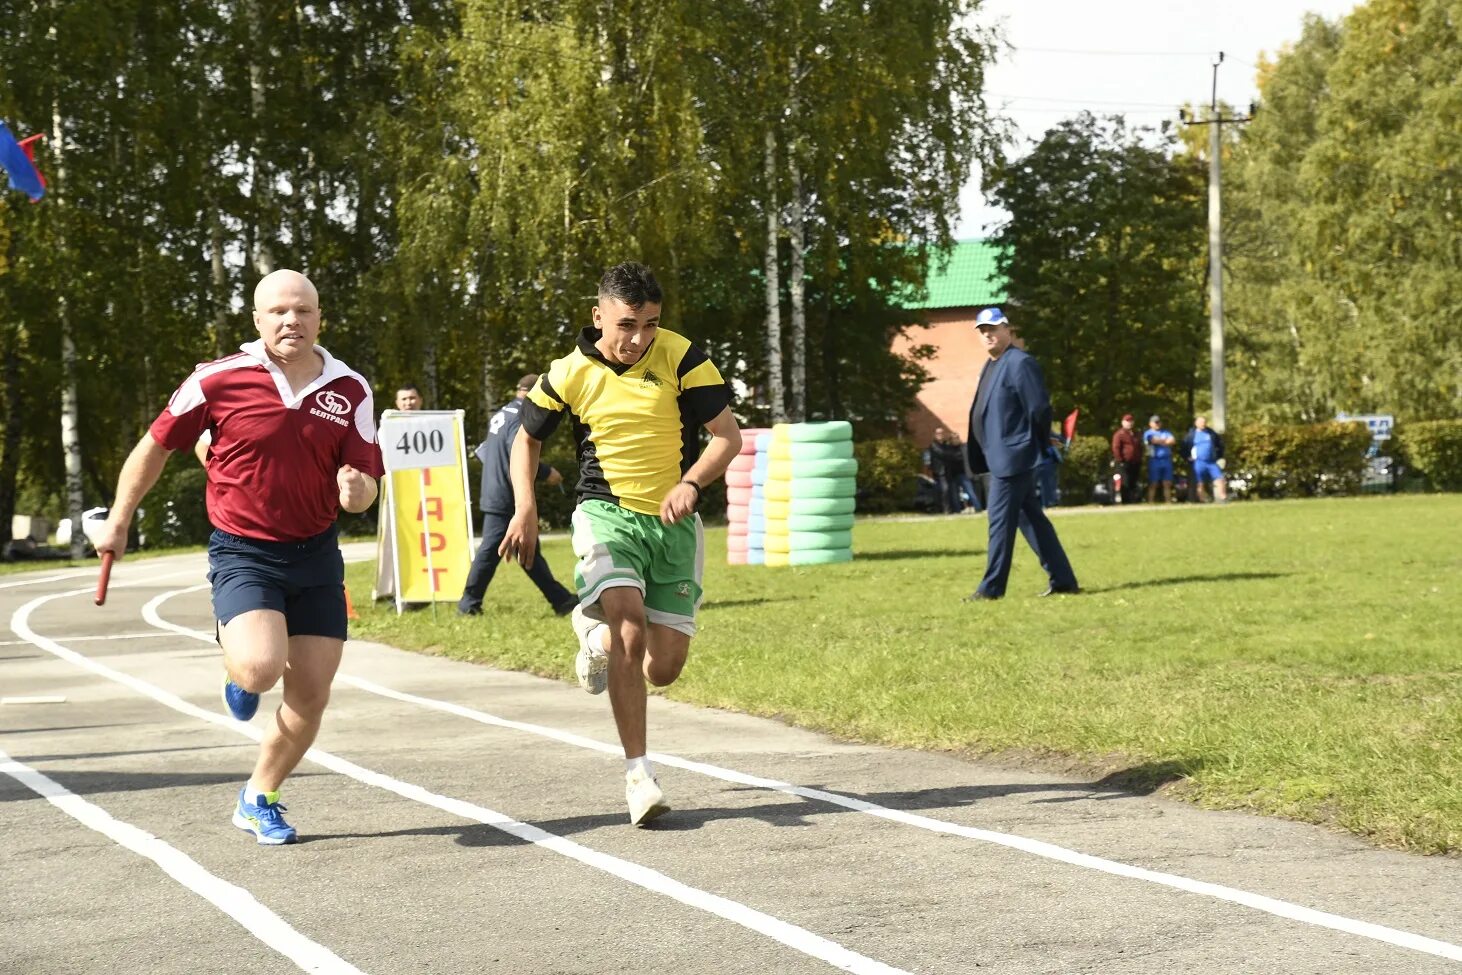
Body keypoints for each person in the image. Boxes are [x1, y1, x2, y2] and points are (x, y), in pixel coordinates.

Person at [93, 269, 382, 846]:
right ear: (257, 320)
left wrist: (357, 492)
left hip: (317, 553)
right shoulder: (216, 380)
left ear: (319, 318)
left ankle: (260, 795)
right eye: (277, 311)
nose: (290, 321)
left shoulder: (350, 389)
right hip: (244, 550)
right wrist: (119, 520)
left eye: (302, 310)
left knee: (311, 694)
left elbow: (366, 480)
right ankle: (238, 656)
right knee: (259, 668)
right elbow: (153, 448)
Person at [499, 261, 741, 826]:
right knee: (631, 626)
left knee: (663, 668)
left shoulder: (682, 357)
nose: (639, 339)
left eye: (650, 325)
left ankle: (596, 638)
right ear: (598, 315)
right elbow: (524, 441)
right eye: (628, 324)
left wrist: (690, 482)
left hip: (672, 522)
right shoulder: (567, 373)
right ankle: (640, 776)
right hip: (604, 511)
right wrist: (526, 508)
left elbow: (727, 436)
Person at [963, 307, 1079, 601]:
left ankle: (991, 589)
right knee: (1032, 520)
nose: (988, 334)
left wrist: (1039, 442)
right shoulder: (991, 365)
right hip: (1001, 457)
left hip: (1014, 458)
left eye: (993, 328)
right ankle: (1063, 579)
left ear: (1007, 329)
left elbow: (1039, 408)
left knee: (1000, 523)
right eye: (982, 331)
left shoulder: (1019, 362)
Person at [457, 374, 578, 617]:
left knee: (526, 549)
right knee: (492, 551)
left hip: (494, 488)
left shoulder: (502, 414)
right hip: (507, 495)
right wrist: (547, 472)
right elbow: (520, 452)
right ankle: (468, 604)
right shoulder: (522, 416)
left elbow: (483, 452)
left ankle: (561, 600)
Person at [1183, 415, 1229, 503]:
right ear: (1196, 423)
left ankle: (1223, 498)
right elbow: (1184, 447)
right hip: (1198, 462)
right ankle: (1202, 500)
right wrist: (1187, 457)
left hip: (1211, 462)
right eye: (1201, 422)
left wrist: (1219, 456)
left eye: (1204, 422)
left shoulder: (1211, 433)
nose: (1203, 424)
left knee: (1220, 479)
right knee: (1200, 482)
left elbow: (1219, 444)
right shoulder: (1191, 435)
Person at [923, 427, 967, 514]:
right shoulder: (933, 445)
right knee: (944, 489)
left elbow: (950, 454)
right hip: (939, 471)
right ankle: (945, 509)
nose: (940, 435)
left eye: (941, 433)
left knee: (950, 490)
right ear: (935, 435)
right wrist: (953, 455)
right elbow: (942, 454)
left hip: (948, 471)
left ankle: (952, 509)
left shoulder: (946, 445)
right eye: (938, 433)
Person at [1144, 414, 1177, 503]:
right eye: (1155, 422)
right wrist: (1165, 441)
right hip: (1154, 459)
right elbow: (1153, 440)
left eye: (1158, 422)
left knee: (1167, 483)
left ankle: (1168, 502)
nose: (1157, 424)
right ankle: (1150, 502)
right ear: (1150, 423)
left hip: (1166, 459)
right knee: (1153, 483)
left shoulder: (1166, 432)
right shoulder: (1148, 433)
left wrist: (1160, 441)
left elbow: (1173, 440)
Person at [1111, 414, 1142, 504]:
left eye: (1131, 421)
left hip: (1135, 462)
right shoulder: (1119, 434)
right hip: (1124, 462)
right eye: (1127, 421)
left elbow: (1139, 447)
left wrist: (1140, 458)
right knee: (1125, 482)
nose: (1129, 423)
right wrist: (1120, 460)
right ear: (1123, 422)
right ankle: (1126, 501)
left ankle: (1133, 500)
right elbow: (1116, 448)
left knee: (1133, 482)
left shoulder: (1136, 434)